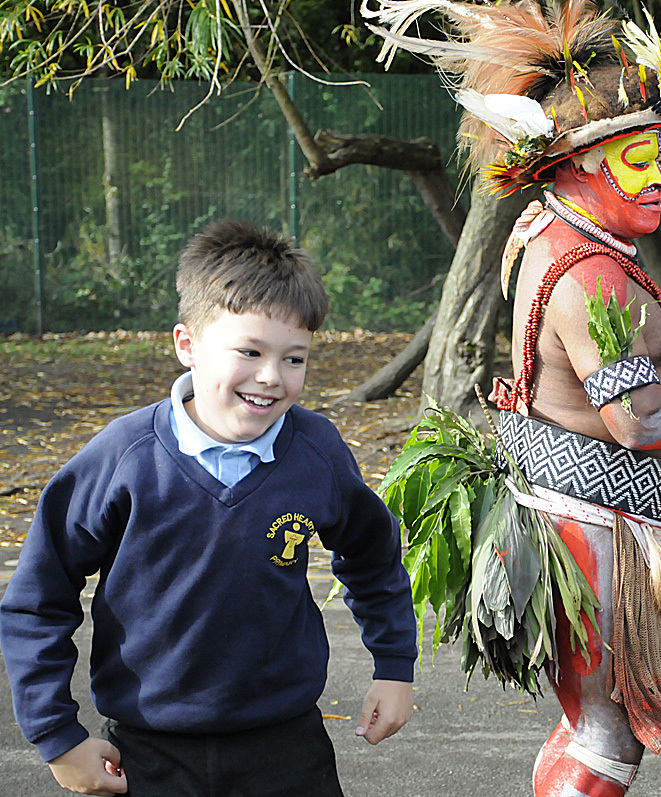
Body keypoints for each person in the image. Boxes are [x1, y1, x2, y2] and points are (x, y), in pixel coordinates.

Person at [361, 2, 661, 795]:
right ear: (574, 165)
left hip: (579, 519)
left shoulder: (546, 230)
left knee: (586, 725)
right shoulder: (588, 270)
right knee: (605, 740)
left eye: (660, 153)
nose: (659, 174)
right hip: (591, 536)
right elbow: (636, 419)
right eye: (637, 157)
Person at [0, 219, 418, 797]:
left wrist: (394, 666)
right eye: (249, 351)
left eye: (294, 359)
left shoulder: (316, 451)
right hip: (147, 752)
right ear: (186, 345)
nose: (272, 377)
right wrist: (58, 736)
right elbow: (36, 601)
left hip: (287, 746)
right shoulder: (123, 459)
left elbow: (372, 558)